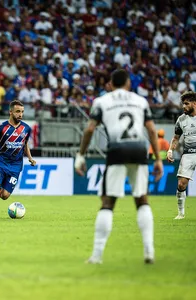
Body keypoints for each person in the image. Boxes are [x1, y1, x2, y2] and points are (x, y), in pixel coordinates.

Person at [75, 69, 163, 264]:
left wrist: (80, 155)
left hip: (117, 151)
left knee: (107, 203)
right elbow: (151, 129)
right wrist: (157, 158)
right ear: (128, 84)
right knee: (142, 200)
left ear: (110, 84)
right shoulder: (140, 101)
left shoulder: (102, 101)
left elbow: (90, 129)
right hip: (139, 150)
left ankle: (97, 256)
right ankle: (149, 251)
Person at [167, 91, 196, 220]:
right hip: (189, 154)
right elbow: (176, 138)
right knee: (181, 184)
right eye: (183, 104)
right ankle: (181, 213)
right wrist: (170, 150)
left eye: (186, 103)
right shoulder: (181, 119)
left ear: (194, 104)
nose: (183, 106)